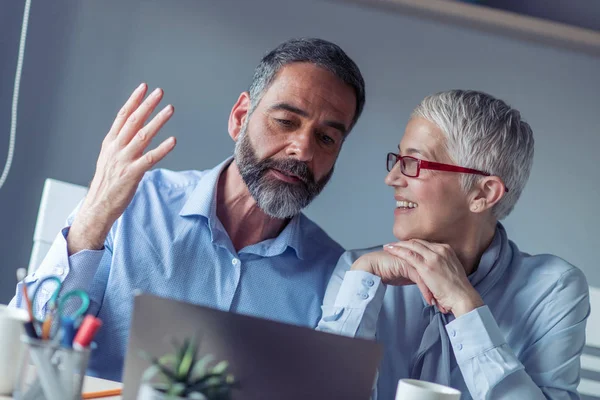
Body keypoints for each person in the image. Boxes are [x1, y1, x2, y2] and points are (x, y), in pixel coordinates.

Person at [10, 38, 365, 381]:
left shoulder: (333, 276)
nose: (303, 150)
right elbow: (32, 348)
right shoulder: (133, 204)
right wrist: (92, 219)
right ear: (240, 118)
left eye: (327, 138)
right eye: (286, 121)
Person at [317, 90, 590, 399]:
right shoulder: (359, 273)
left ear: (482, 194)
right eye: (398, 159)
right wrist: (361, 282)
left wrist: (465, 305)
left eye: (413, 163)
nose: (392, 178)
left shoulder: (553, 289)